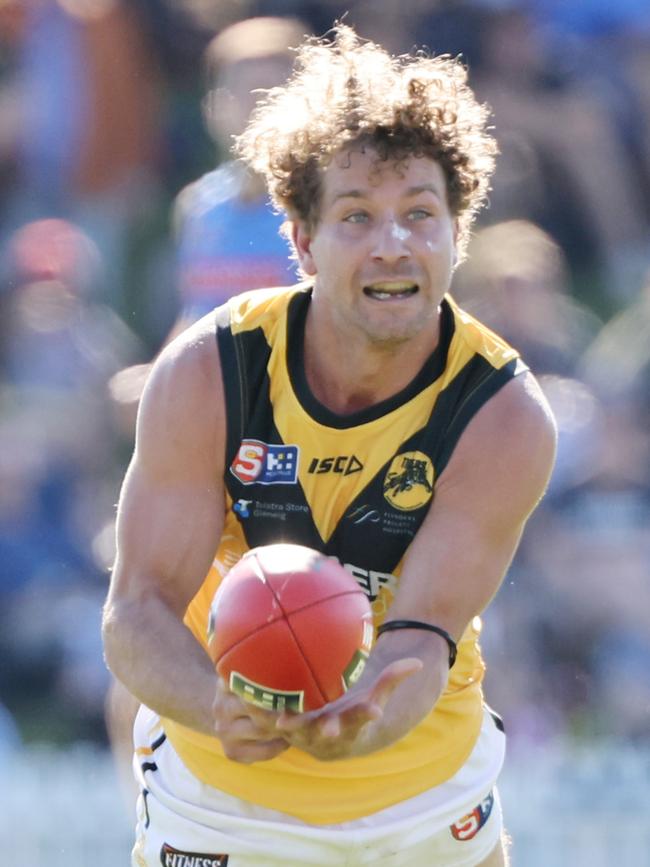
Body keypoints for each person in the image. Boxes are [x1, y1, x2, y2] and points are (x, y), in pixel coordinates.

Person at [102, 24, 557, 867]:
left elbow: (422, 638)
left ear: (458, 233)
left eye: (422, 214)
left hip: (424, 797)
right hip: (222, 803)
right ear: (302, 241)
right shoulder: (211, 369)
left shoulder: (503, 411)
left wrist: (361, 722)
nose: (395, 243)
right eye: (357, 216)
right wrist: (215, 703)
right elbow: (135, 614)